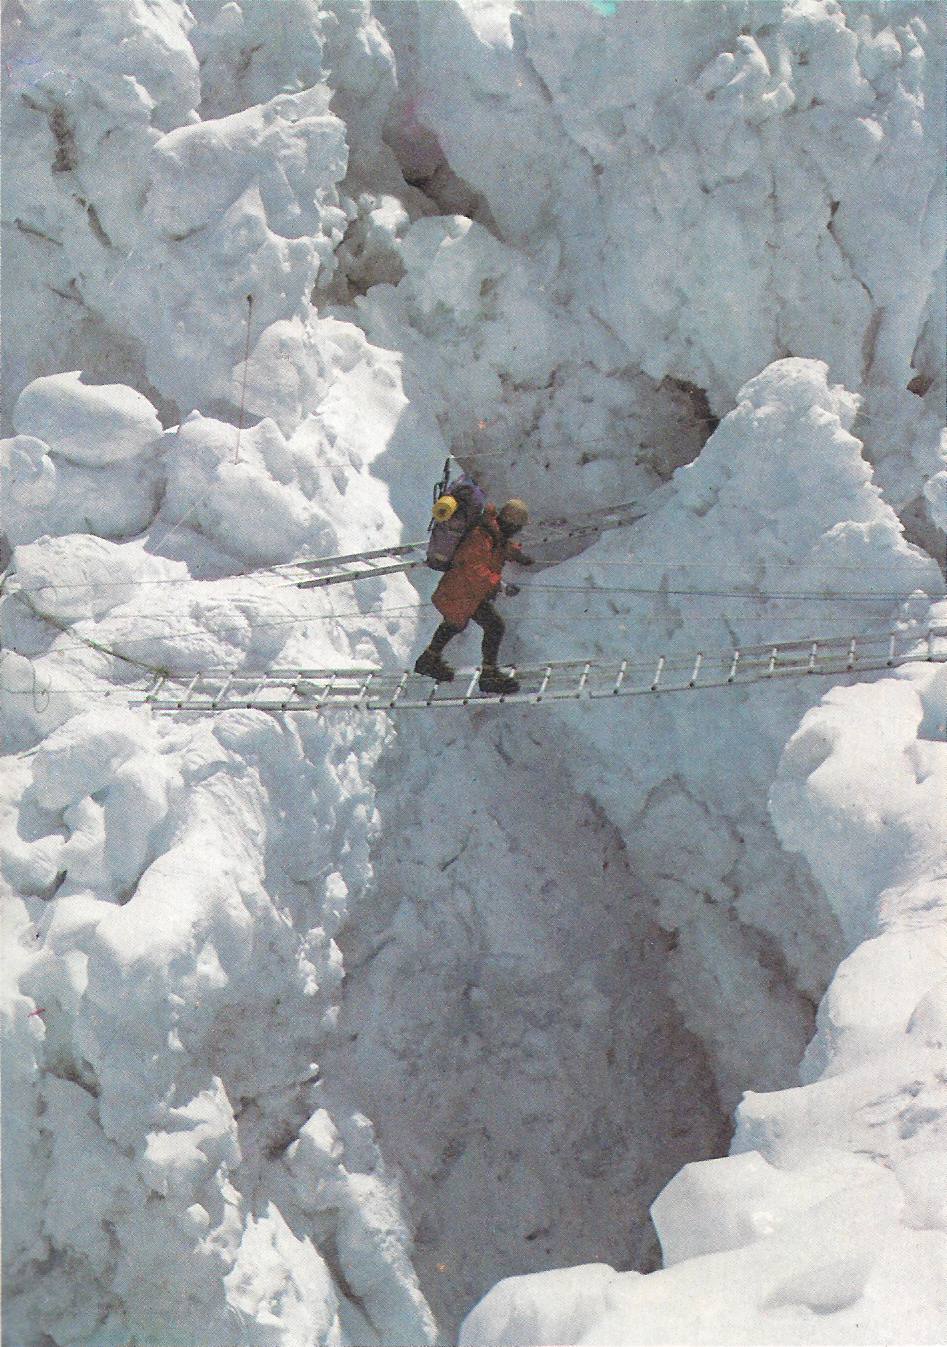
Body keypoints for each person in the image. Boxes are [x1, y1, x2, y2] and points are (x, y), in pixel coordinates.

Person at [414, 498, 534, 693]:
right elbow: (474, 569)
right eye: (517, 527)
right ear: (511, 525)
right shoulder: (482, 536)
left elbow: (500, 547)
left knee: (457, 624)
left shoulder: (492, 533)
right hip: (460, 592)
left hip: (466, 593)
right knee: (490, 626)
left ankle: (429, 660)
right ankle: (487, 676)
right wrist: (500, 585)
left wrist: (517, 555)